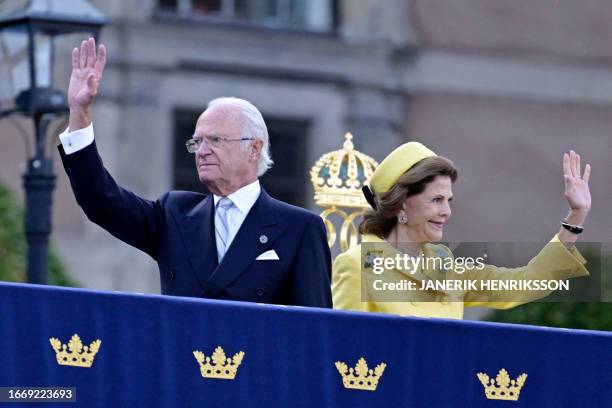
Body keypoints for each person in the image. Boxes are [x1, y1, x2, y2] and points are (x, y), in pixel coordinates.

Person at [59, 38, 332, 307]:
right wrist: (80, 113)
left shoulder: (299, 229)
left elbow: (313, 329)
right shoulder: (175, 214)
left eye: (215, 140)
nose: (202, 151)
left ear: (254, 149)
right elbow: (101, 200)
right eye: (197, 141)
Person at [332, 141, 591, 318]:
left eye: (448, 201)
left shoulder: (447, 267)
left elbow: (523, 283)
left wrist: (576, 216)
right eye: (436, 200)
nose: (447, 211)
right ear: (401, 205)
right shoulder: (357, 265)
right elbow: (345, 352)